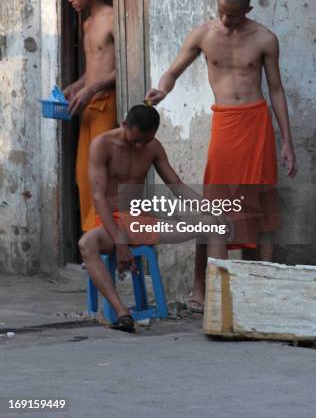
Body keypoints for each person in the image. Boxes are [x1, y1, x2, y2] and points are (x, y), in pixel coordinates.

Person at [145, 0, 298, 313]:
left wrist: (287, 140)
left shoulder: (264, 39)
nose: (226, 20)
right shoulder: (203, 34)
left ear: (248, 11)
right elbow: (174, 70)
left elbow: (276, 90)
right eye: (222, 13)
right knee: (214, 209)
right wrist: (162, 90)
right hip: (225, 123)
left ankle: (260, 291)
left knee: (260, 207)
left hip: (256, 124)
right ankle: (213, 293)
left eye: (233, 15)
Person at [80, 104, 229, 333]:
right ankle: (122, 313)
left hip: (141, 223)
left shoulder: (153, 147)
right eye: (136, 139)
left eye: (146, 140)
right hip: (112, 224)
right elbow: (98, 197)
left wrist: (210, 208)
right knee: (86, 244)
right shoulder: (102, 145)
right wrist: (120, 242)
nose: (140, 145)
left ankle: (220, 309)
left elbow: (176, 186)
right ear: (124, 125)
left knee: (213, 225)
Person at [63, 0, 117, 233]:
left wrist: (93, 87)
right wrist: (75, 87)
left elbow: (128, 67)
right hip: (87, 108)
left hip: (106, 103)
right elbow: (94, 68)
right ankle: (91, 238)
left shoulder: (113, 18)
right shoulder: (87, 23)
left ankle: (104, 237)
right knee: (82, 176)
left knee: (101, 177)